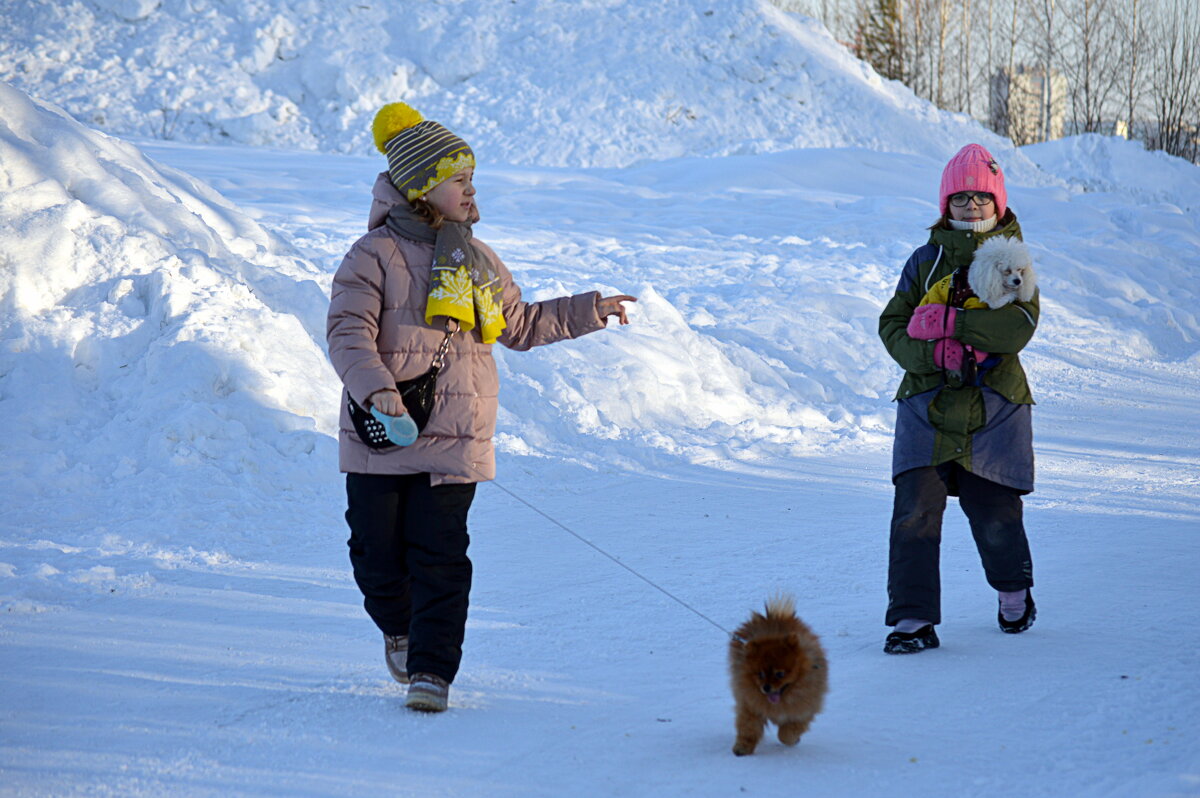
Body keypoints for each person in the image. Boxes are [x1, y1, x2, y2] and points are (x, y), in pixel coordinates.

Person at [326, 102, 636, 709]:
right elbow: (347, 332)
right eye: (458, 180)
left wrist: (587, 309)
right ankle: (400, 626)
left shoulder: (478, 259)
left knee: (441, 556)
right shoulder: (372, 256)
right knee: (375, 558)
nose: (471, 192)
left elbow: (517, 324)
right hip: (383, 435)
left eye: (472, 180)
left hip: (457, 437)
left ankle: (431, 672)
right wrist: (378, 392)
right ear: (420, 188)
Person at [877, 143, 1039, 655]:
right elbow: (892, 324)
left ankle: (1013, 591)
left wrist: (955, 324)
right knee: (914, 510)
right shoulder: (923, 261)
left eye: (982, 198)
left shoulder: (1015, 259)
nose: (972, 207)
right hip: (926, 403)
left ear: (998, 203)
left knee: (994, 508)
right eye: (961, 197)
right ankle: (912, 620)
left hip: (994, 404)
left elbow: (1018, 326)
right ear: (946, 204)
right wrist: (931, 359)